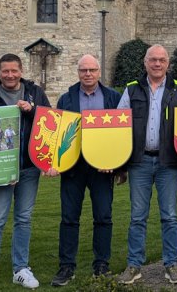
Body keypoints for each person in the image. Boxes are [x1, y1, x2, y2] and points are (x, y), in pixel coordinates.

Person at [0, 54, 51, 292]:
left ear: (21, 70)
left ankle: (21, 269)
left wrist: (32, 109)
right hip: (0, 170)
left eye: (14, 71)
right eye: (5, 71)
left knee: (24, 219)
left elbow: (49, 120)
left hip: (28, 168)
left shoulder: (34, 92)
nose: (10, 75)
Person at [115, 45, 177, 285]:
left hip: (169, 162)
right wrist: (119, 164)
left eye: (162, 60)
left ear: (168, 64)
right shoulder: (131, 90)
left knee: (169, 215)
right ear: (145, 62)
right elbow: (118, 126)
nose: (157, 64)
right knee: (138, 216)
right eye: (153, 60)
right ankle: (134, 265)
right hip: (140, 161)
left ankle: (171, 264)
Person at [49, 55, 123, 286]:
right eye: (84, 70)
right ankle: (66, 266)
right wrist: (54, 162)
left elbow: (121, 135)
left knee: (103, 217)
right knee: (69, 218)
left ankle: (101, 264)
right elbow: (57, 134)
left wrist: (120, 166)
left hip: (103, 168)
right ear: (78, 72)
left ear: (99, 72)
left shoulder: (113, 98)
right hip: (73, 167)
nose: (88, 74)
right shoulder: (66, 99)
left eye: (92, 70)